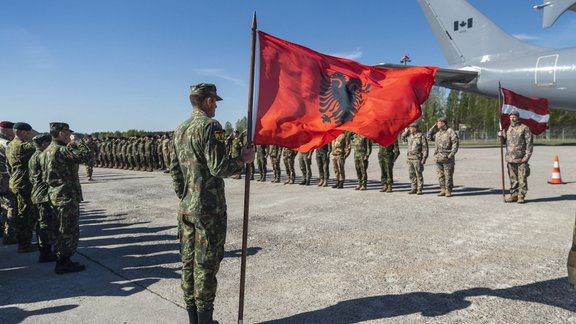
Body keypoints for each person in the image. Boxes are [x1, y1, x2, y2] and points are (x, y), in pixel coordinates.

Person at [170, 83, 255, 324]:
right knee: (206, 266)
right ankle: (206, 321)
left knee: (188, 263)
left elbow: (175, 171)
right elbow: (218, 167)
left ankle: (194, 320)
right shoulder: (210, 126)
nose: (216, 105)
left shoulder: (180, 129)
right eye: (214, 101)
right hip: (208, 210)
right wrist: (243, 159)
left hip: (187, 208)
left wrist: (186, 196)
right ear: (207, 101)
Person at [43, 122, 93, 274]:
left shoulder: (48, 149)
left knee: (60, 229)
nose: (70, 134)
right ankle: (63, 262)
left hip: (56, 194)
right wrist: (76, 140)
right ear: (61, 133)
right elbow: (87, 156)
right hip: (65, 195)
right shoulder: (60, 150)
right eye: (68, 132)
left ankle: (62, 259)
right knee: (68, 230)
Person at [6, 122, 38, 252]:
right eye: (29, 132)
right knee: (26, 214)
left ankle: (24, 242)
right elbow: (41, 144)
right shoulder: (24, 146)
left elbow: (9, 167)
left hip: (15, 181)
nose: (31, 134)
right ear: (23, 132)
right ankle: (24, 244)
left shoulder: (10, 145)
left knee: (23, 212)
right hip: (24, 183)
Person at [29, 133, 57, 262]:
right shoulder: (42, 156)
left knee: (42, 223)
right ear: (44, 144)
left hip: (38, 193)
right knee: (45, 224)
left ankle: (44, 251)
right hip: (44, 194)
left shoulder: (34, 156)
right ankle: (45, 252)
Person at [498, 110, 533, 203]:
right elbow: (503, 143)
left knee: (522, 179)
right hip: (510, 159)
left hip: (521, 158)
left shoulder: (524, 128)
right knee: (513, 179)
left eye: (514, 117)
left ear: (518, 117)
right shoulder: (507, 129)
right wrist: (500, 136)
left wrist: (527, 156)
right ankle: (514, 195)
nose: (512, 119)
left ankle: (521, 196)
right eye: (511, 117)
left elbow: (529, 144)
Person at [427, 117, 459, 197]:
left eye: (438, 122)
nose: (437, 124)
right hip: (438, 157)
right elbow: (428, 137)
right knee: (440, 175)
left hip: (447, 157)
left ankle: (448, 190)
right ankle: (443, 189)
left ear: (443, 123)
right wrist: (433, 127)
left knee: (448, 175)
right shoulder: (438, 133)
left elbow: (455, 143)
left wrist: (452, 154)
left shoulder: (450, 131)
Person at [0, 121, 18, 245]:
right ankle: (9, 235)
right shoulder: (4, 142)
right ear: (5, 129)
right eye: (12, 128)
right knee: (11, 206)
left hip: (4, 179)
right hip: (4, 180)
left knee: (5, 207)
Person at [401, 123, 428, 195]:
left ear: (415, 128)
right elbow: (402, 137)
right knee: (411, 174)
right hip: (410, 158)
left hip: (417, 158)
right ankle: (413, 188)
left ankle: (419, 189)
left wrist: (424, 158)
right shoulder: (410, 135)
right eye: (409, 128)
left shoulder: (421, 136)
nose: (410, 129)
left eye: (411, 128)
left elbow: (425, 148)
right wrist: (407, 131)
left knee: (418, 174)